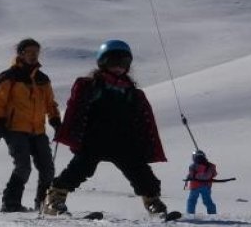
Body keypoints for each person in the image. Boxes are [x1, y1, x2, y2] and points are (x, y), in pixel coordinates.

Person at [43, 40, 168, 216]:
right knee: (79, 170)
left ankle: (152, 201)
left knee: (141, 172)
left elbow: (141, 119)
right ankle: (54, 200)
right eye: (113, 62)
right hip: (94, 140)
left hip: (124, 142)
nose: (118, 67)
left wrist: (141, 142)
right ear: (102, 63)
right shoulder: (92, 86)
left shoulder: (132, 92)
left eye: (123, 63)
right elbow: (76, 107)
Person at [0, 38, 62, 212]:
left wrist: (55, 121)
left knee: (47, 169)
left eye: (36, 52)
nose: (33, 55)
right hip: (15, 129)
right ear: (21, 54)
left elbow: (50, 104)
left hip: (37, 130)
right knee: (23, 167)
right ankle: (10, 203)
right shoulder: (9, 76)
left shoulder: (42, 79)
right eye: (29, 52)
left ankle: (43, 204)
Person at [185, 150, 217, 215]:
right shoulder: (210, 165)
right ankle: (212, 213)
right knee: (207, 201)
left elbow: (191, 174)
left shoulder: (193, 166)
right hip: (206, 186)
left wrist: (189, 177)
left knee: (191, 201)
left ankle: (190, 214)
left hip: (195, 186)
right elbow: (214, 174)